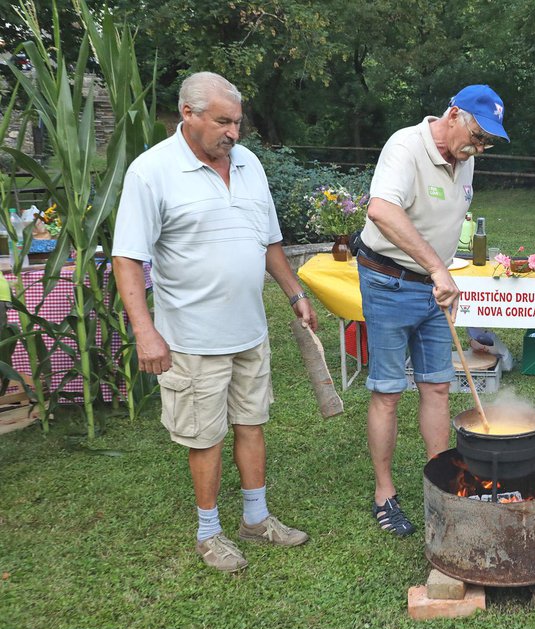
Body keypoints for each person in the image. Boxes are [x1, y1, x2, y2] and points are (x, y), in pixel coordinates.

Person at [112, 72, 317, 573]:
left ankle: (256, 517)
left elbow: (268, 241)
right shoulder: (151, 172)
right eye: (223, 122)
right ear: (188, 114)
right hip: (191, 337)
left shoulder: (248, 164)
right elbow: (128, 259)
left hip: (250, 330)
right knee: (205, 437)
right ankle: (209, 532)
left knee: (252, 422)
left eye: (238, 122)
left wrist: (295, 293)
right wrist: (145, 329)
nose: (234, 133)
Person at [355, 84, 509, 536]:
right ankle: (384, 493)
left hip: (435, 287)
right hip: (388, 279)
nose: (479, 148)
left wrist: (443, 275)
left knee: (438, 387)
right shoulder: (405, 146)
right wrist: (436, 268)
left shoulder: (468, 159)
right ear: (454, 113)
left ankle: (440, 482)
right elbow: (382, 209)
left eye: (487, 143)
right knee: (387, 390)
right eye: (477, 136)